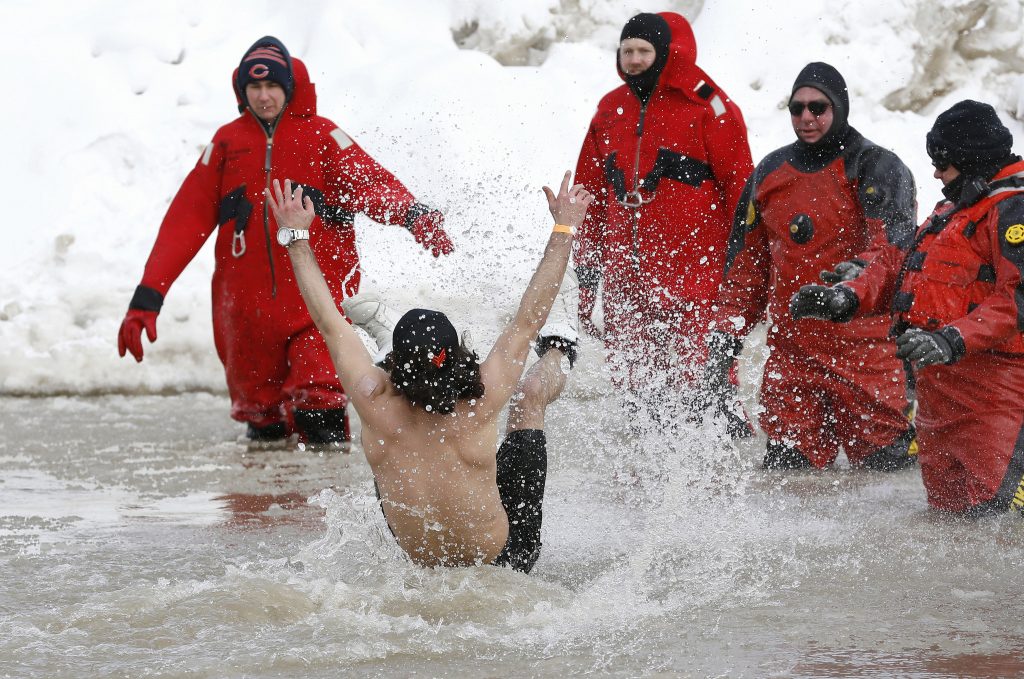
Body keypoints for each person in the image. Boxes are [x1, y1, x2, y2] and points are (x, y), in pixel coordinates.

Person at [116, 36, 454, 445]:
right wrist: (148, 298)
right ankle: (263, 510)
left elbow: (372, 184)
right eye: (253, 88)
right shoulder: (225, 145)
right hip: (244, 316)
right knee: (263, 426)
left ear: (289, 87)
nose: (263, 96)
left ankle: (324, 507)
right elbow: (183, 223)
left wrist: (412, 214)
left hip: (316, 306)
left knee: (321, 405)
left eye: (272, 86)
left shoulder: (324, 137)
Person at [267, 172, 590, 571]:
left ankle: (395, 343)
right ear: (455, 357)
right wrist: (563, 228)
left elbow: (329, 323)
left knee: (376, 397)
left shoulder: (374, 400)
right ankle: (560, 349)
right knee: (530, 394)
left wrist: (296, 238)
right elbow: (528, 320)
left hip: (425, 548)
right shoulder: (481, 398)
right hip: (506, 557)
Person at [791, 100, 1024, 514]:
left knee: (992, 528)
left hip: (996, 400)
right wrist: (849, 294)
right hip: (939, 399)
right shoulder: (952, 210)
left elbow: (1017, 298)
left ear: (972, 161)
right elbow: (902, 269)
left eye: (944, 163)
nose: (935, 173)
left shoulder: (1012, 208)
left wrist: (951, 339)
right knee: (947, 528)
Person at [706, 62, 919, 470]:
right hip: (793, 354)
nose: (806, 117)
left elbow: (893, 254)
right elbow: (748, 268)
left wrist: (846, 291)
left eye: (818, 107)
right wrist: (726, 335)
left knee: (885, 484)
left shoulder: (876, 167)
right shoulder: (769, 172)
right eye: (796, 108)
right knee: (788, 482)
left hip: (867, 355)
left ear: (839, 107)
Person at [572, 11, 754, 420]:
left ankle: (721, 448)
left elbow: (742, 191)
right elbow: (590, 197)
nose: (634, 60)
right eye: (627, 51)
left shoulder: (708, 105)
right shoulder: (609, 109)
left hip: (696, 272)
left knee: (704, 381)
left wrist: (739, 266)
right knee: (635, 388)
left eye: (643, 51)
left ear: (665, 53)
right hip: (626, 274)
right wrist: (587, 268)